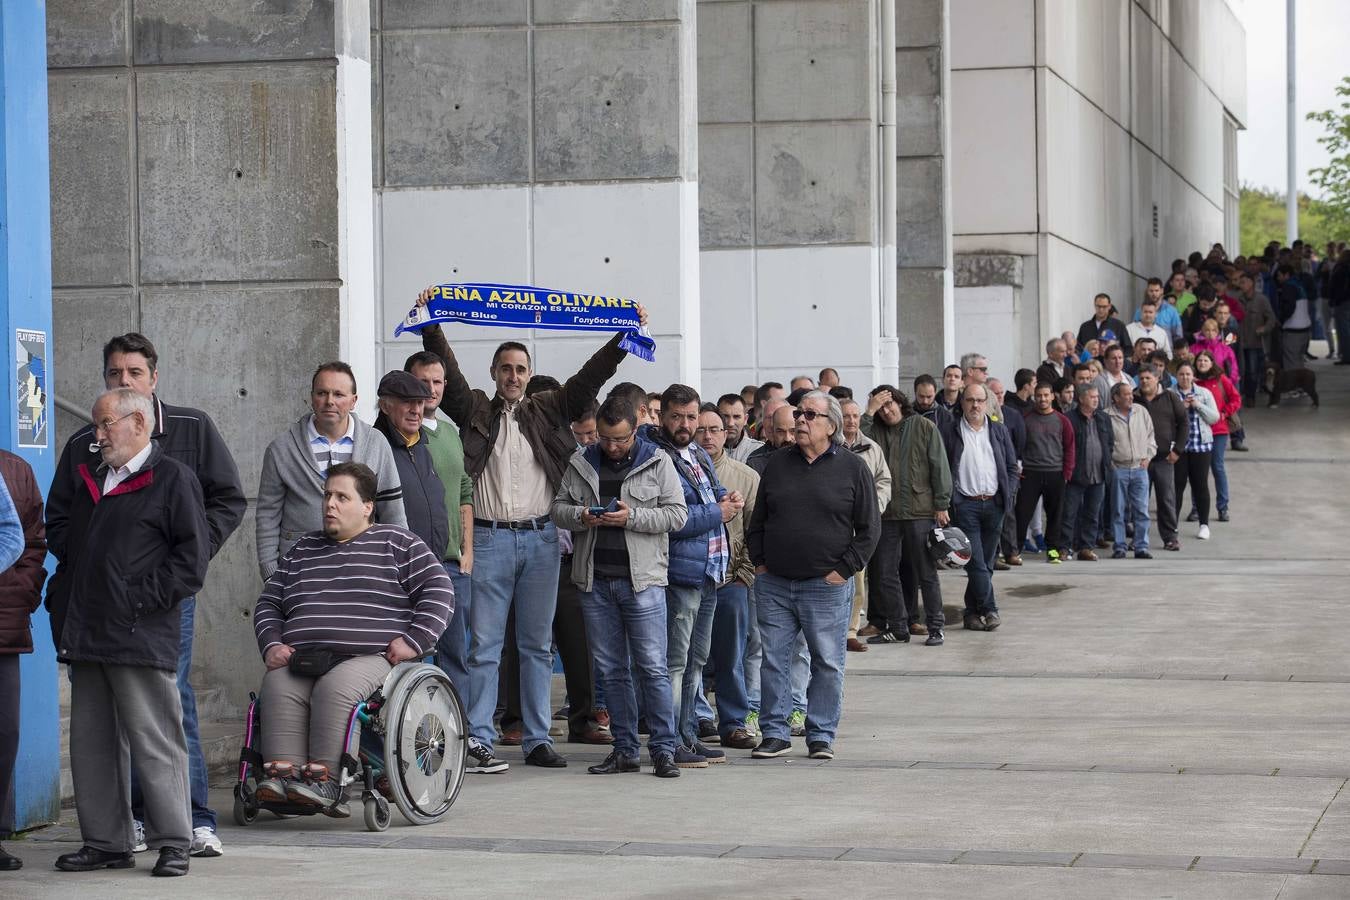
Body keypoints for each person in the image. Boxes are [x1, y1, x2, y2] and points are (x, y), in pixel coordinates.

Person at [412, 288, 646, 774]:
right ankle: (479, 736)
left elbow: (588, 379)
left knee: (538, 646)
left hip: (541, 541)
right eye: (506, 369)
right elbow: (450, 377)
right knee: (486, 647)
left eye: (521, 368)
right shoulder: (475, 409)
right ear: (495, 375)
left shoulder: (549, 408)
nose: (514, 376)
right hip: (492, 540)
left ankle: (537, 738)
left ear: (527, 374)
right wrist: (431, 324)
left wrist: (623, 338)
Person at [47, 332, 246, 859]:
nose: (98, 434)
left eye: (106, 423)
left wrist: (145, 593)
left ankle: (178, 837)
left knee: (158, 736)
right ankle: (107, 841)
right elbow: (61, 525)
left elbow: (193, 550)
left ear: (141, 417)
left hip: (142, 623)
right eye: (115, 374)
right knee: (91, 745)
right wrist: (67, 592)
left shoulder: (175, 470)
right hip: (88, 626)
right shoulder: (90, 469)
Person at [253, 463, 454, 810]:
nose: (329, 504)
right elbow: (269, 602)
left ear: (367, 506)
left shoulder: (398, 543)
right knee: (278, 684)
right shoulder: (303, 550)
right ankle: (286, 783)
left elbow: (439, 591)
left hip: (368, 656)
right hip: (304, 655)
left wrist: (414, 640)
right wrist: (271, 643)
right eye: (327, 495)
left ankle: (328, 783)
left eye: (341, 497)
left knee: (336, 688)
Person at [551, 397, 687, 777]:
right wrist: (581, 515)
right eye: (605, 438)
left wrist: (631, 517)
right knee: (611, 672)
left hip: (642, 583)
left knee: (653, 669)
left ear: (635, 427)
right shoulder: (582, 461)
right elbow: (557, 508)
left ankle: (663, 750)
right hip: (595, 583)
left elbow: (678, 515)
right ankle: (624, 749)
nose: (612, 447)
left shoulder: (657, 461)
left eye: (621, 439)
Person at [747, 392, 879, 761]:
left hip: (826, 585)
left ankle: (820, 735)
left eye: (809, 415)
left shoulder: (853, 468)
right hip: (774, 582)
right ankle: (774, 733)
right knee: (774, 659)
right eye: (799, 414)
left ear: (831, 425)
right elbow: (759, 520)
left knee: (827, 661)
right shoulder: (777, 464)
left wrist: (843, 570)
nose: (801, 420)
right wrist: (760, 562)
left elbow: (870, 529)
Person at [645, 385, 741, 767]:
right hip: (680, 573)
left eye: (691, 417)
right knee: (674, 662)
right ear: (662, 416)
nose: (685, 425)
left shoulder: (698, 452)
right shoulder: (656, 457)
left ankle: (687, 734)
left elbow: (715, 493)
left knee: (697, 661)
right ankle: (667, 744)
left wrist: (728, 500)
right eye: (677, 417)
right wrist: (720, 511)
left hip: (710, 570)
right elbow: (675, 519)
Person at [257, 362, 406, 580]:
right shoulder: (282, 449)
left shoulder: (375, 443)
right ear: (311, 397)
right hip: (301, 571)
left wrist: (400, 566)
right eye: (322, 393)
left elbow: (393, 511)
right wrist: (270, 573)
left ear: (353, 401)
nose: (330, 401)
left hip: (363, 568)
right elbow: (267, 515)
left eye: (338, 394)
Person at [402, 352, 476, 695]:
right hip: (410, 565)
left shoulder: (449, 432)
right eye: (422, 381)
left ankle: (457, 733)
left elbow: (464, 491)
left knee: (455, 655)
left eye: (437, 381)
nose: (430, 389)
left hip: (452, 565)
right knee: (410, 655)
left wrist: (467, 551)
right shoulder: (393, 436)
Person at [693, 405, 761, 748]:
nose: (708, 436)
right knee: (690, 656)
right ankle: (695, 718)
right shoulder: (680, 472)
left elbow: (756, 531)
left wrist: (744, 576)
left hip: (730, 581)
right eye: (701, 428)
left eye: (714, 429)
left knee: (731, 654)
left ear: (726, 434)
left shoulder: (745, 476)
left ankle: (733, 722)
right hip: (690, 579)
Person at [862, 388, 951, 646]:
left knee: (926, 572)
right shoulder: (875, 430)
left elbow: (939, 465)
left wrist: (941, 503)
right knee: (885, 573)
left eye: (889, 405)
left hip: (919, 511)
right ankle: (898, 627)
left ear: (901, 403)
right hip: (887, 512)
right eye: (881, 408)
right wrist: (869, 410)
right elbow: (858, 440)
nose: (886, 411)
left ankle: (936, 627)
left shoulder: (923, 426)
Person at [938, 385, 1019, 632]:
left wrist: (1009, 495)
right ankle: (990, 609)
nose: (975, 405)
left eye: (980, 400)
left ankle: (971, 613)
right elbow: (942, 468)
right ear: (961, 403)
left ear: (988, 403)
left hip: (994, 504)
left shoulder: (999, 431)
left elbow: (1012, 468)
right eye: (970, 400)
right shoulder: (950, 431)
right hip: (966, 505)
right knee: (975, 563)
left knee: (987, 563)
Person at [0, 454, 36, 872]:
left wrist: (22, 593)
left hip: (3, 624)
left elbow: (29, 538)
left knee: (4, 732)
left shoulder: (14, 468)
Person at [839, 398, 892, 649]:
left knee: (858, 580)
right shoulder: (830, 446)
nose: (851, 420)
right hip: (832, 523)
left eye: (855, 416)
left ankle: (850, 631)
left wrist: (875, 508)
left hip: (859, 525)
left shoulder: (871, 448)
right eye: (846, 416)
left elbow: (884, 481)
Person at [1012, 382, 1075, 565]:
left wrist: (1067, 474)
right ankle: (1014, 549)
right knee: (1022, 513)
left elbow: (1070, 448)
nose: (1042, 399)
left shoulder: (1062, 420)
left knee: (1055, 515)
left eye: (1046, 395)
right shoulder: (1026, 419)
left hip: (1055, 473)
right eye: (1039, 395)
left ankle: (1053, 550)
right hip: (1030, 473)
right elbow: (1019, 445)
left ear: (1052, 396)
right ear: (1034, 396)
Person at [1135, 366, 1188, 551]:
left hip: (1164, 459)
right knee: (1139, 500)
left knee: (1166, 499)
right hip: (1140, 460)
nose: (1144, 381)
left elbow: (1184, 423)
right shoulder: (1134, 399)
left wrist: (1178, 450)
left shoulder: (1170, 397)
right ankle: (1138, 538)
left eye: (1148, 378)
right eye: (1141, 378)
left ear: (1157, 378)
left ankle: (1170, 538)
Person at [1060, 385, 1112, 561]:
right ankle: (1065, 547)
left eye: (1097, 396)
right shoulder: (1069, 419)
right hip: (1076, 474)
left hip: (1098, 474)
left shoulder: (1104, 418)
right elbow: (1064, 446)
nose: (1096, 399)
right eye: (1092, 396)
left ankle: (1086, 548)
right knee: (1069, 513)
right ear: (1081, 399)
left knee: (1092, 513)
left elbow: (1109, 444)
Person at [1105, 384, 1156, 559]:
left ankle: (1141, 546)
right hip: (1118, 468)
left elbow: (1151, 437)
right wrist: (1111, 466)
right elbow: (1104, 445)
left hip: (1140, 468)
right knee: (1118, 510)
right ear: (1116, 398)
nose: (1131, 397)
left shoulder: (1141, 411)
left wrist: (1148, 457)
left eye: (1131, 394)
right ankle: (1119, 547)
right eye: (1126, 395)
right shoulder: (1107, 416)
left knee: (1141, 510)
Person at [1192, 351, 1241, 523]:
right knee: (1199, 471)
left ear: (1212, 363)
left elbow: (1236, 398)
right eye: (1199, 360)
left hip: (1218, 430)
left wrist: (1224, 413)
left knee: (1217, 467)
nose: (1202, 363)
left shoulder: (1221, 380)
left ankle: (1222, 507)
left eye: (1206, 360)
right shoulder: (1193, 381)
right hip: (1197, 430)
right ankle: (1196, 508)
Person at [1173, 363, 1219, 542]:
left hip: (1201, 446)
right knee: (1177, 486)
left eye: (1188, 374)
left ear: (1193, 376)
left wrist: (1198, 405)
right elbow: (1167, 419)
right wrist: (1181, 408)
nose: (1185, 377)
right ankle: (1173, 524)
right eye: (1181, 374)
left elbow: (1214, 417)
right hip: (1179, 448)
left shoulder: (1204, 393)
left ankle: (1204, 524)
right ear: (1176, 376)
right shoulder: (1170, 393)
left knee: (1200, 485)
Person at [1274, 263, 1312, 370]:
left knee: (1291, 361)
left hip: (1293, 329)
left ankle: (1294, 385)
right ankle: (1300, 385)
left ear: (1287, 275)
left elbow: (1289, 308)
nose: (1278, 278)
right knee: (1298, 359)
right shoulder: (1299, 284)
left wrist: (1281, 320)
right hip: (1305, 328)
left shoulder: (1288, 286)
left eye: (1279, 275)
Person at [717, 393, 764, 463]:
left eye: (736, 417)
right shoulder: (706, 448)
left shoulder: (758, 450)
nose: (731, 423)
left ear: (745, 419)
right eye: (725, 416)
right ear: (716, 417)